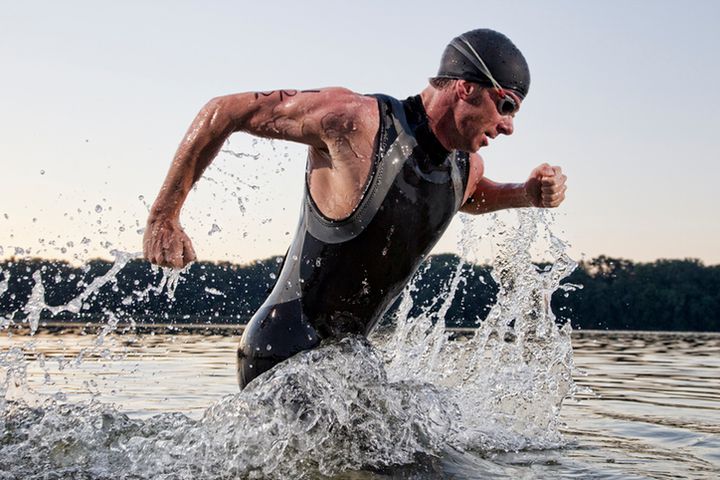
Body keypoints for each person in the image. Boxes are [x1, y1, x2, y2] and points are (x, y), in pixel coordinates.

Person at [143, 28, 567, 389]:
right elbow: (225, 110)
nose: (510, 125)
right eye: (507, 105)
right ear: (466, 87)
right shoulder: (358, 121)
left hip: (346, 365)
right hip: (282, 349)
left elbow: (470, 198)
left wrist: (525, 193)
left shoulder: (466, 168)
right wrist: (164, 215)